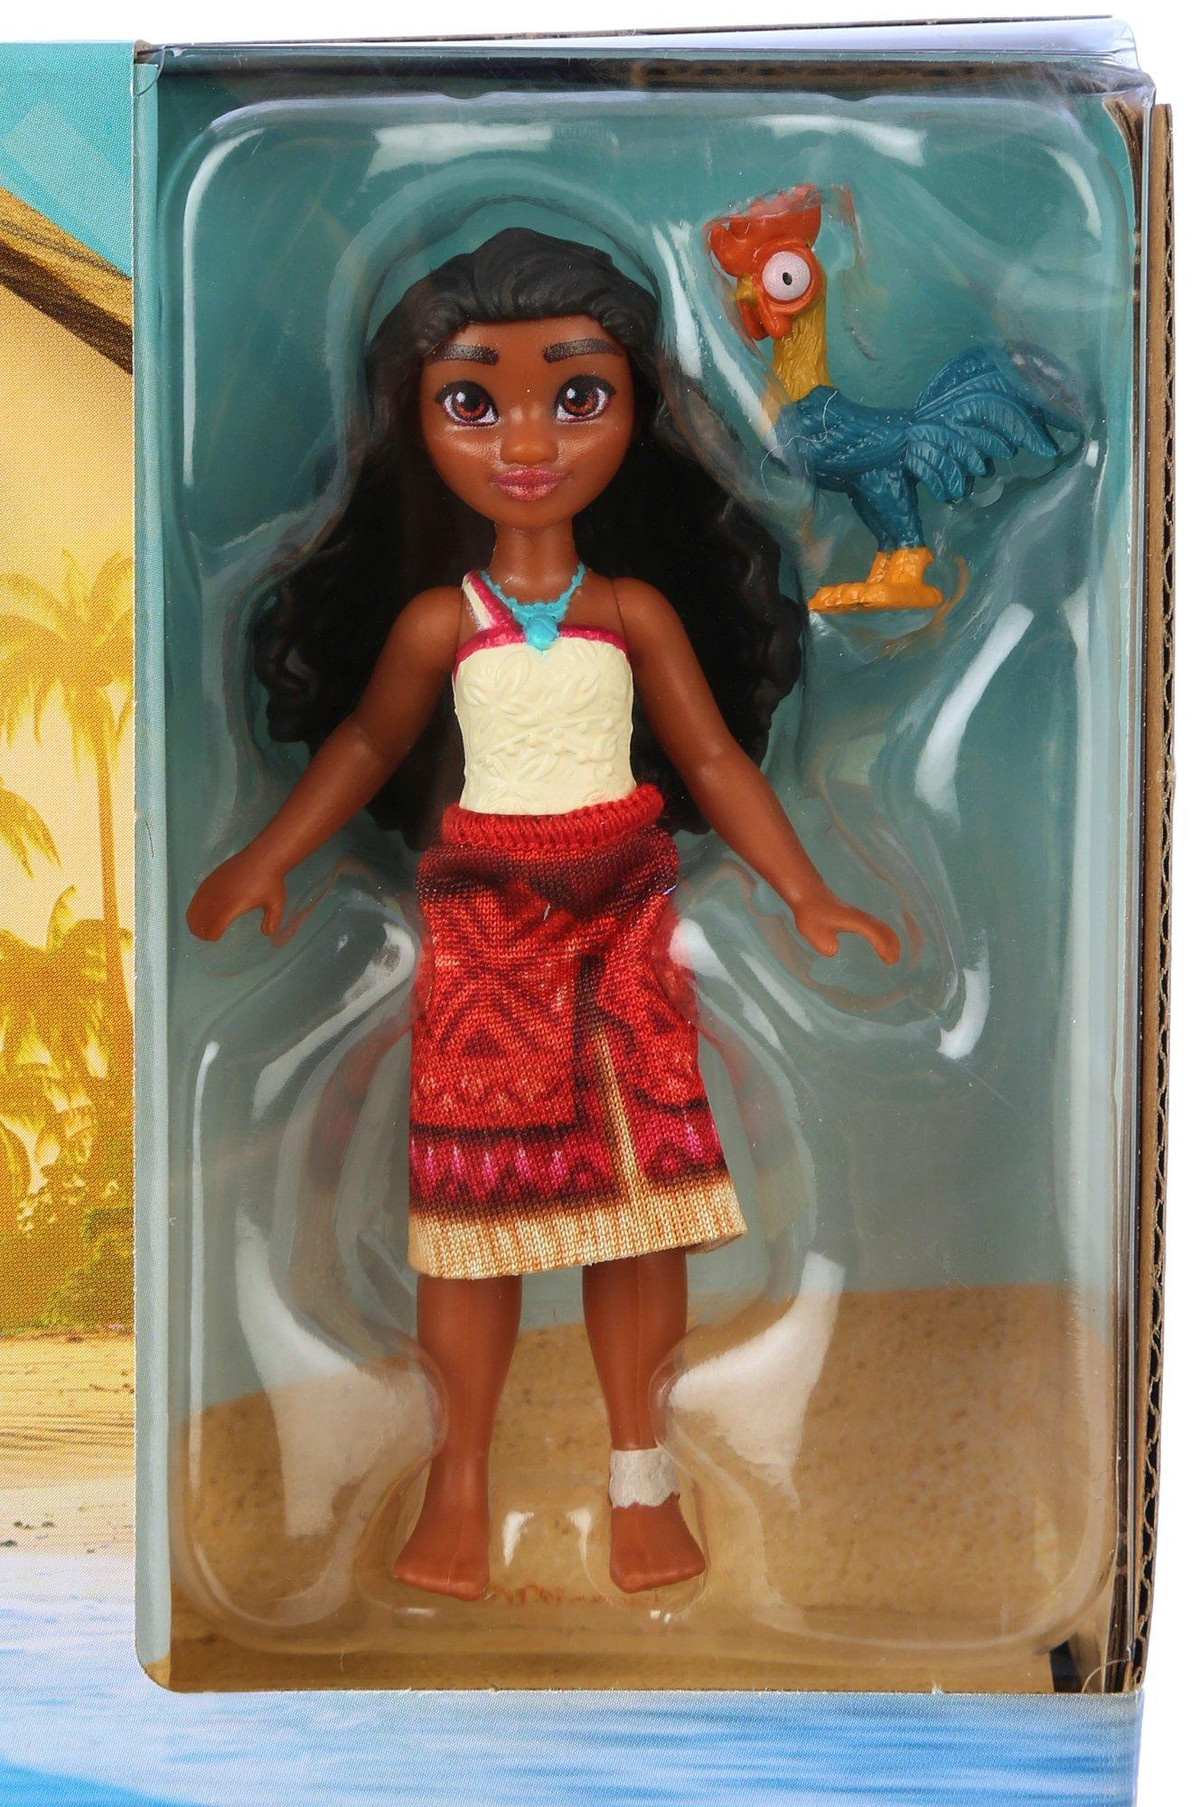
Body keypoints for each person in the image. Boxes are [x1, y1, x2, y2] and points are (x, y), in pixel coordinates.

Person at [187, 228, 899, 1601]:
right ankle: (455, 1487)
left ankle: (645, 1483)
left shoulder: (631, 611)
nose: (527, 440)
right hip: (485, 933)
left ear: (639, 406)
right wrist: (266, 857)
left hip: (622, 918)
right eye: (473, 400)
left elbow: (710, 761)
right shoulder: (437, 624)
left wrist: (807, 891)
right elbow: (363, 746)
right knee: (474, 1222)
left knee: (640, 1212)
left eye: (577, 396)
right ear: (413, 420)